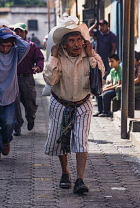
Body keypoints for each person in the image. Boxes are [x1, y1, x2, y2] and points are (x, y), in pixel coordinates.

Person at [43, 16, 105, 194]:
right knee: (60, 140)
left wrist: (92, 56)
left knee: (81, 141)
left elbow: (99, 77)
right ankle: (65, 172)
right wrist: (53, 58)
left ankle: (80, 179)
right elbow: (50, 79)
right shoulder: (57, 56)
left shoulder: (90, 54)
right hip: (60, 103)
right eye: (71, 40)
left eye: (79, 39)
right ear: (64, 44)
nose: (77, 44)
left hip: (82, 104)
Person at [0, 26, 30, 159]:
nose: (5, 49)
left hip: (9, 95)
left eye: (8, 45)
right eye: (2, 46)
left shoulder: (15, 53)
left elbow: (26, 46)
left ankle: (6, 141)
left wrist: (13, 34)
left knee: (8, 123)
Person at [13, 23, 44, 136]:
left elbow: (40, 58)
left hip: (27, 79)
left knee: (30, 104)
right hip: (13, 79)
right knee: (14, 104)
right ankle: (17, 126)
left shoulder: (31, 46)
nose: (19, 33)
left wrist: (39, 67)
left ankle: (31, 118)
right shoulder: (11, 46)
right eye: (16, 31)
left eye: (21, 31)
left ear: (25, 33)